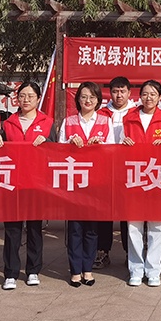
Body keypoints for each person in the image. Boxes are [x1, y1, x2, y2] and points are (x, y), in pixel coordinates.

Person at [0, 81, 54, 290]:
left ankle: (33, 270)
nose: (26, 100)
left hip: (37, 183)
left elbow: (56, 151)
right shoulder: (8, 123)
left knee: (35, 229)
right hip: (13, 183)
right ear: (17, 99)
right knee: (12, 230)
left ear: (38, 99)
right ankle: (10, 272)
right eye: (22, 96)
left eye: (30, 96)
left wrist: (47, 142)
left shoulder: (48, 122)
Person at [121, 80, 161, 287]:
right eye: (145, 94)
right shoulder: (129, 118)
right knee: (133, 226)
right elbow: (119, 145)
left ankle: (153, 270)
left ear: (160, 97)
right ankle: (135, 270)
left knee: (156, 227)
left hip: (157, 178)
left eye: (153, 94)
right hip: (134, 177)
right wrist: (124, 145)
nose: (148, 97)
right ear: (139, 96)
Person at [60, 81, 114, 287]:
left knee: (92, 229)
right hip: (74, 182)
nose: (88, 100)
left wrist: (101, 145)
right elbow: (59, 149)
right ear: (78, 99)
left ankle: (88, 269)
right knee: (75, 228)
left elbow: (112, 149)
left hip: (96, 182)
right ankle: (75, 270)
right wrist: (70, 143)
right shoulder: (69, 121)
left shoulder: (105, 121)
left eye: (92, 97)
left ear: (98, 100)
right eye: (83, 96)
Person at [95, 76, 136, 269]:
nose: (119, 95)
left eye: (122, 91)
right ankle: (103, 251)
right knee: (105, 211)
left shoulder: (137, 112)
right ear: (109, 93)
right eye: (115, 91)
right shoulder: (101, 113)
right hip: (106, 168)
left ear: (129, 93)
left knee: (129, 212)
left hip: (130, 168)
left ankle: (131, 253)